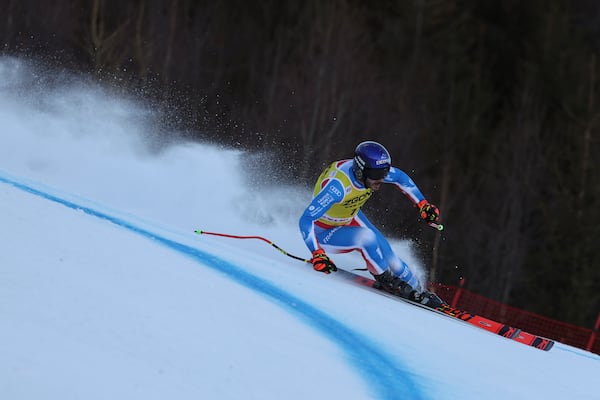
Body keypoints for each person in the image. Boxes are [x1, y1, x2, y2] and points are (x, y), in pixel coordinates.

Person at [298, 140, 444, 307]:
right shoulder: (337, 188)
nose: (381, 179)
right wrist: (317, 253)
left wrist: (423, 205)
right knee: (367, 238)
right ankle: (386, 280)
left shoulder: (373, 172)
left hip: (349, 217)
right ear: (361, 171)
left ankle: (418, 291)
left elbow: (401, 178)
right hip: (323, 232)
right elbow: (306, 219)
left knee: (391, 257)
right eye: (376, 175)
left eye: (384, 173)